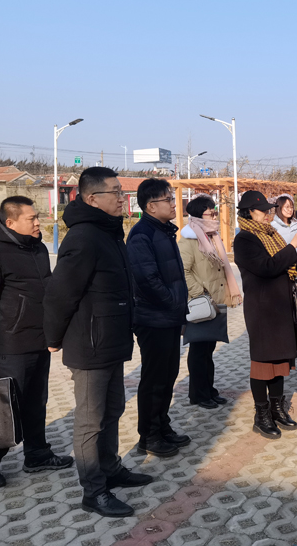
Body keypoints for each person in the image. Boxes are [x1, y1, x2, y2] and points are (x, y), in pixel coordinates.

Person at [44, 167, 151, 518]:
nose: (122, 198)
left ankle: (110, 468)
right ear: (92, 198)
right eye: (116, 192)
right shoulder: (84, 237)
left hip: (112, 339)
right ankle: (93, 491)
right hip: (89, 344)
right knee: (90, 420)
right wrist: (52, 338)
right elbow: (60, 293)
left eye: (122, 192)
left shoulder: (108, 231)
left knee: (113, 409)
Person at [0, 196, 73, 489]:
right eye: (32, 218)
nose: (39, 222)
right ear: (11, 222)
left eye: (38, 216)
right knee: (6, 406)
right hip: (10, 344)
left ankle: (37, 454)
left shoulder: (37, 248)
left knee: (36, 402)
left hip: (39, 340)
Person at [233, 190, 297, 438]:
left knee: (280, 361)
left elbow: (291, 265)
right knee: (262, 364)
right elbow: (267, 267)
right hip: (262, 310)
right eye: (262, 210)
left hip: (281, 306)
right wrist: (292, 244)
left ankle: (277, 408)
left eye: (269, 209)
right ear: (249, 212)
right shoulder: (244, 239)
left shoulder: (271, 234)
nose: (268, 214)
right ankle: (262, 414)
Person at [127, 179, 190, 458]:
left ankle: (162, 426)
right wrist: (173, 304)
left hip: (168, 316)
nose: (174, 204)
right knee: (154, 379)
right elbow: (147, 279)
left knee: (168, 376)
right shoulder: (142, 235)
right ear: (151, 206)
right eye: (168, 199)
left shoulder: (163, 231)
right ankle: (149, 436)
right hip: (153, 318)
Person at [178, 194, 242, 409]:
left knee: (208, 350)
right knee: (199, 351)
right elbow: (183, 271)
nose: (214, 216)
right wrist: (200, 293)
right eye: (210, 213)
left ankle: (209, 390)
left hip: (215, 301)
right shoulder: (188, 240)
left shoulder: (211, 236)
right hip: (201, 303)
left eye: (214, 212)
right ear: (198, 215)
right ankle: (198, 394)